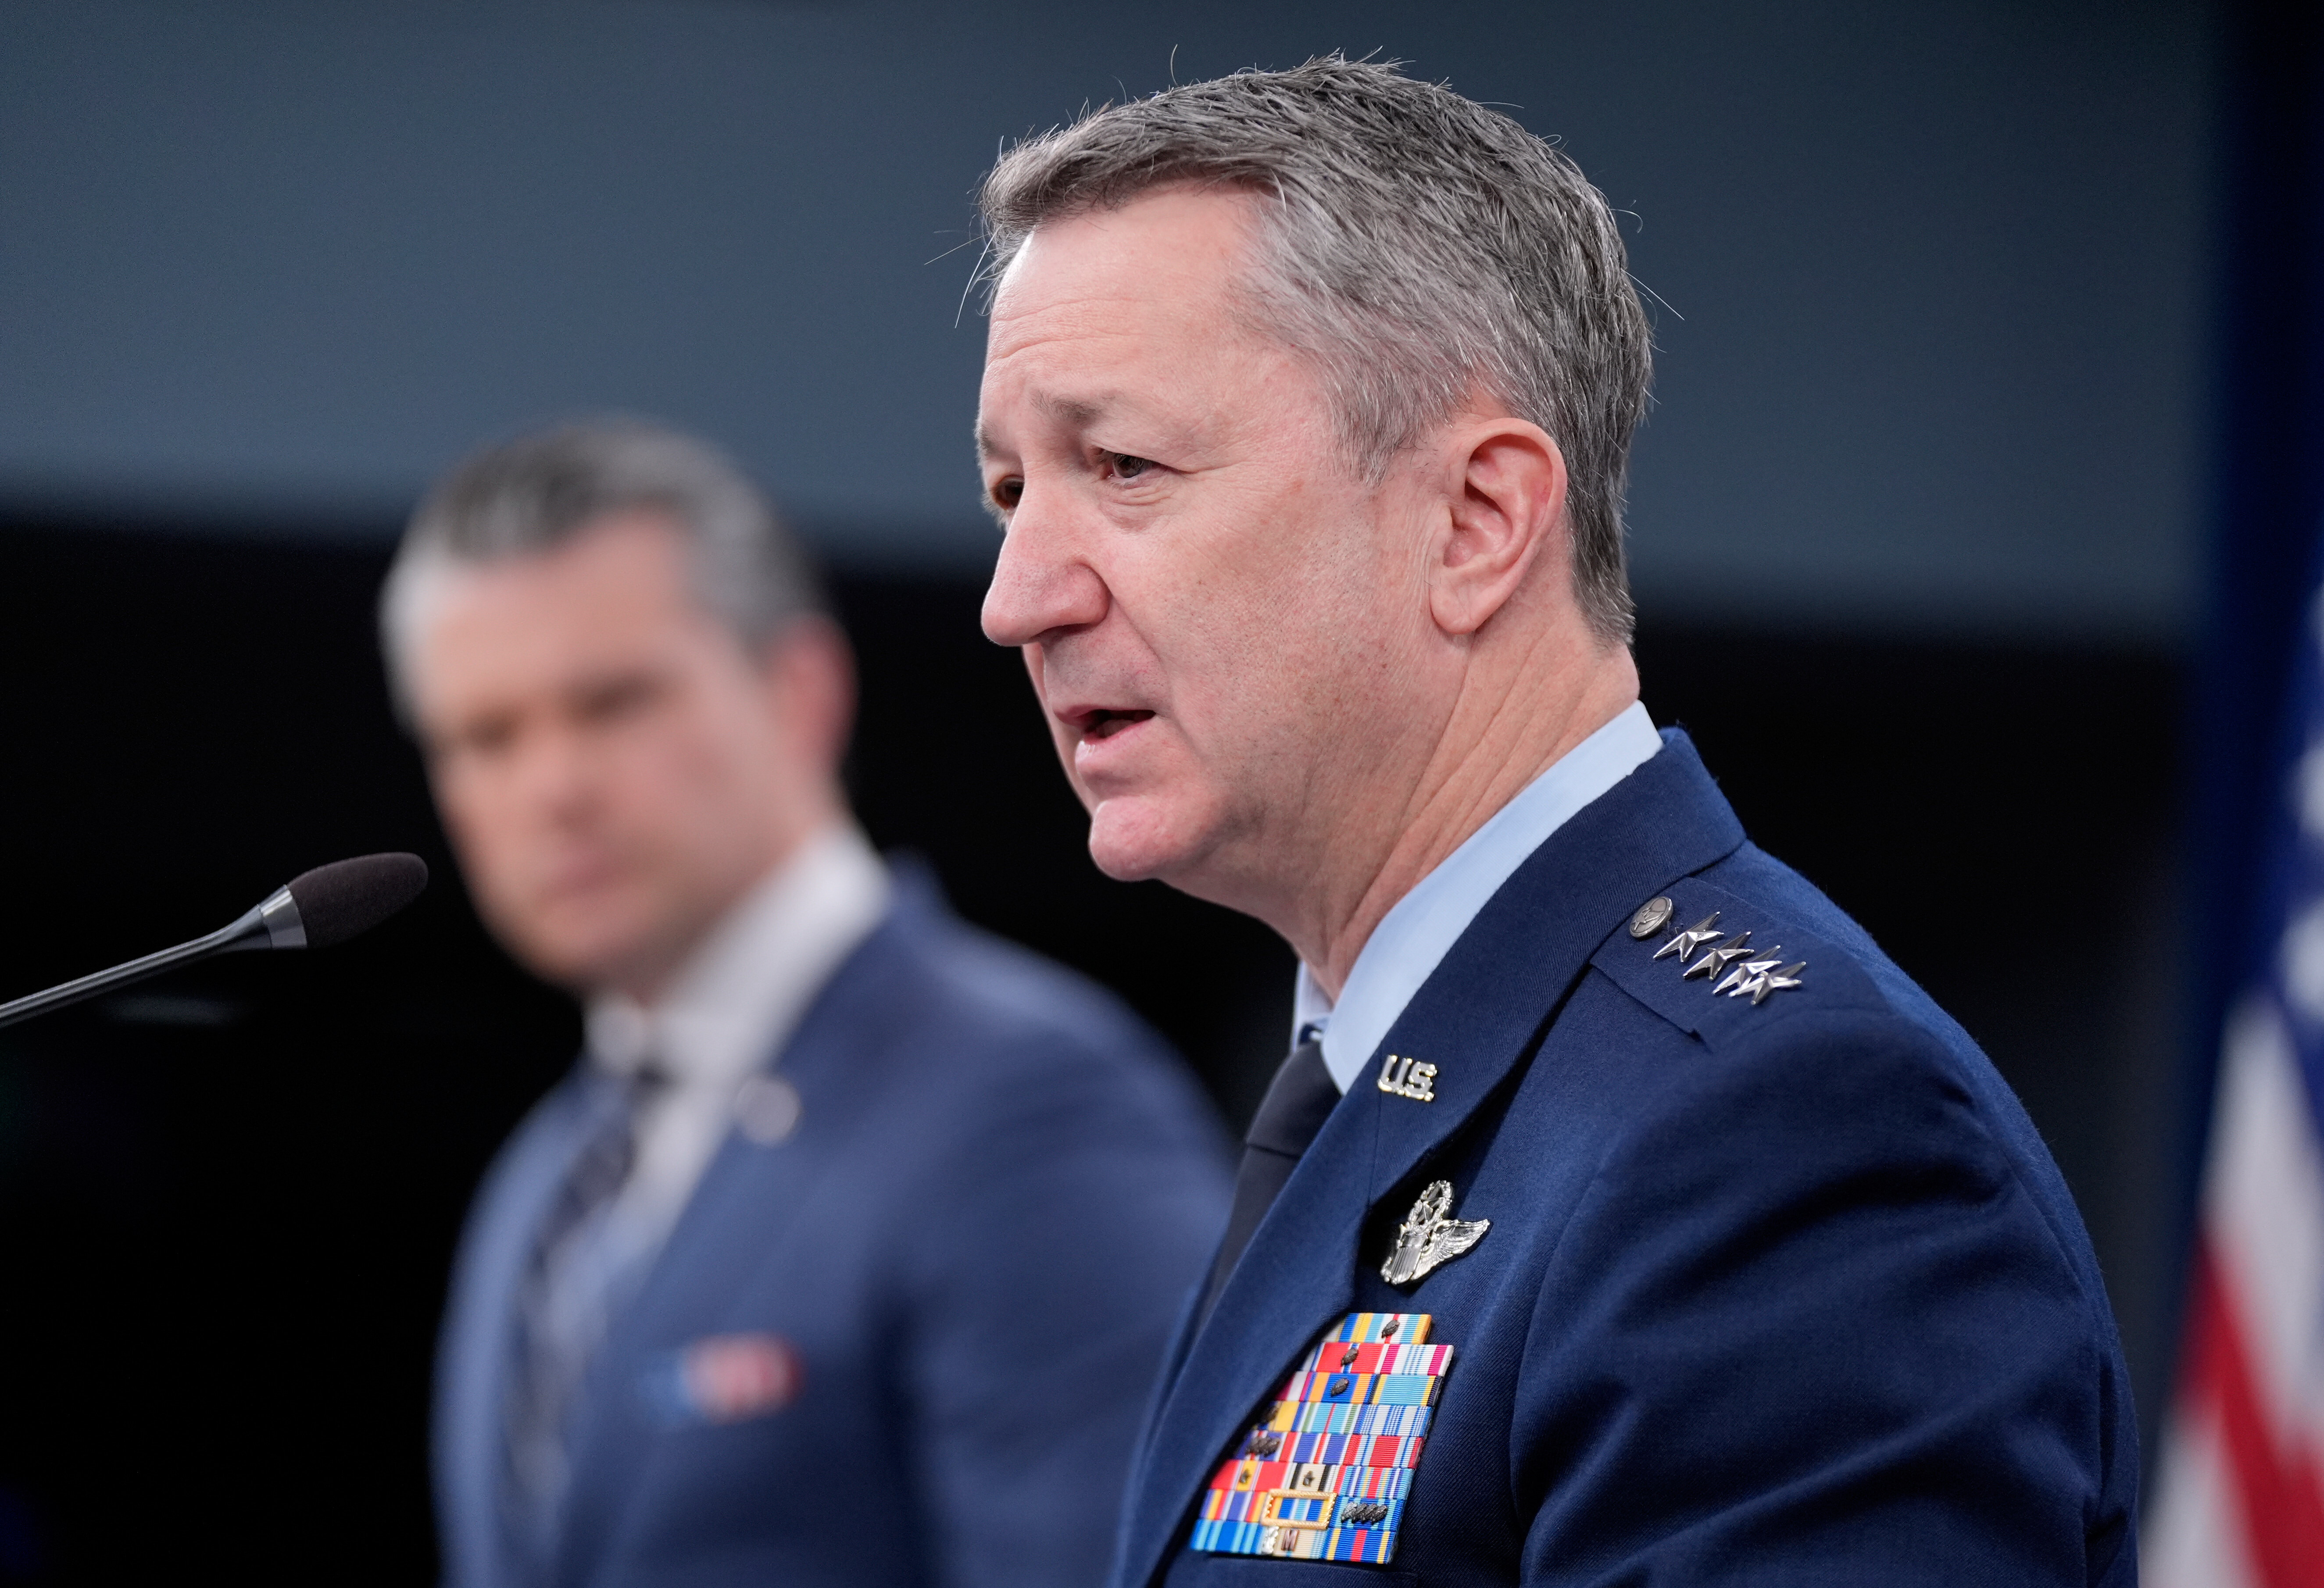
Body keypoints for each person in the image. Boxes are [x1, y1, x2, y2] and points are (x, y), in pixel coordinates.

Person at [971, 57, 2138, 1587]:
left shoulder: (1785, 1134)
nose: (1016, 601)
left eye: (1123, 467)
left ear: (1476, 523)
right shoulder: (1396, 1081)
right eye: (1011, 493)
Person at [383, 419, 1231, 1588]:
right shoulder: (542, 1184)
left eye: (611, 704)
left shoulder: (1027, 1106)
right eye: (485, 738)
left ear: (800, 691)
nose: (551, 787)